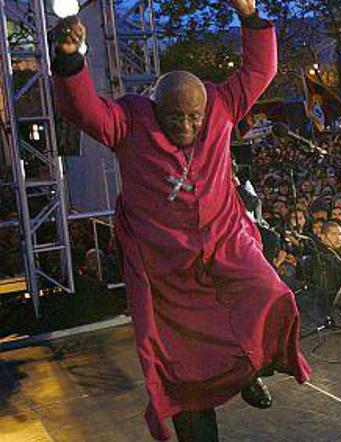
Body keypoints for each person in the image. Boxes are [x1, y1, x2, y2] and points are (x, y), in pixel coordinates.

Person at [50, 5, 311, 440]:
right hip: (167, 273)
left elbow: (260, 71)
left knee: (270, 294)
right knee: (183, 368)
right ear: (156, 107)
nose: (186, 125)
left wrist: (249, 15)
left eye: (194, 116)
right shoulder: (129, 121)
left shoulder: (222, 107)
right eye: (175, 116)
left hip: (227, 248)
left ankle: (247, 370)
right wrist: (69, 58)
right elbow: (82, 108)